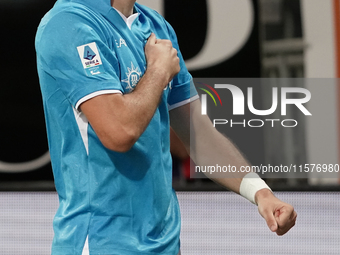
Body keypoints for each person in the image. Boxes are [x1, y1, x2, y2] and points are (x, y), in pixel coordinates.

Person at [35, 0, 297, 254]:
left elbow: (198, 134)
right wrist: (159, 71)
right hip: (100, 242)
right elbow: (119, 132)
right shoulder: (68, 23)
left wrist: (261, 192)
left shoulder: (157, 27)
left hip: (166, 244)